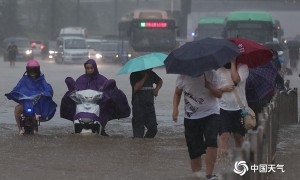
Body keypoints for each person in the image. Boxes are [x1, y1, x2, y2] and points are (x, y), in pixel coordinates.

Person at [172, 72, 221, 180]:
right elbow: (177, 93)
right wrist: (175, 109)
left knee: (211, 141)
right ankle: (197, 176)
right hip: (191, 117)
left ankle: (209, 175)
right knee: (194, 150)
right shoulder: (183, 76)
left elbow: (219, 94)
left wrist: (209, 87)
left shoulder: (211, 74)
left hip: (211, 113)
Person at [5, 59, 56, 135]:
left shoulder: (41, 79)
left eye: (34, 70)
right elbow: (17, 87)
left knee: (37, 115)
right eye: (31, 71)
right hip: (25, 103)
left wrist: (47, 93)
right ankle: (20, 129)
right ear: (27, 70)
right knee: (17, 109)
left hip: (37, 104)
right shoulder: (24, 79)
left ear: (38, 70)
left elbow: (47, 87)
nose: (33, 73)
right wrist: (12, 93)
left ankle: (36, 128)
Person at [213, 59, 249, 158]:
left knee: (239, 137)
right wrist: (222, 89)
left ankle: (240, 161)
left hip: (241, 108)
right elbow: (212, 91)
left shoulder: (243, 67)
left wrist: (233, 63)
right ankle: (222, 165)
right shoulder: (218, 70)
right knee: (224, 136)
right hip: (222, 108)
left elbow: (236, 79)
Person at [130, 68, 163, 138]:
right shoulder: (134, 74)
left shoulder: (151, 73)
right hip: (138, 106)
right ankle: (139, 146)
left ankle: (146, 146)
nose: (152, 68)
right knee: (138, 134)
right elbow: (136, 87)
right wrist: (144, 76)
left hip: (150, 105)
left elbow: (160, 81)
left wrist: (156, 90)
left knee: (153, 129)